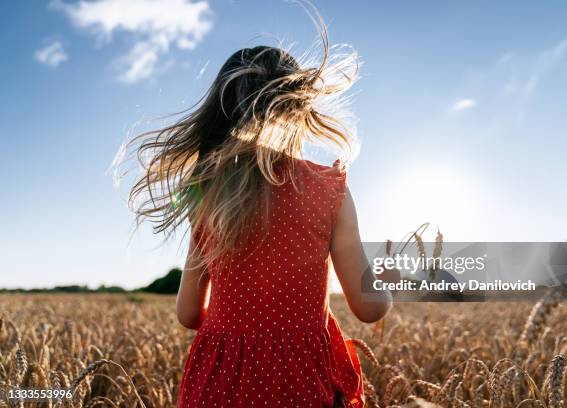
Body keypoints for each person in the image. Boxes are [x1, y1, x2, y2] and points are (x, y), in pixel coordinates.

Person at [126, 29, 392, 407]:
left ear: (219, 115)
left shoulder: (206, 194)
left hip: (216, 383)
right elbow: (369, 308)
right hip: (299, 382)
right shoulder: (329, 188)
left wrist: (238, 323)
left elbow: (187, 313)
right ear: (301, 108)